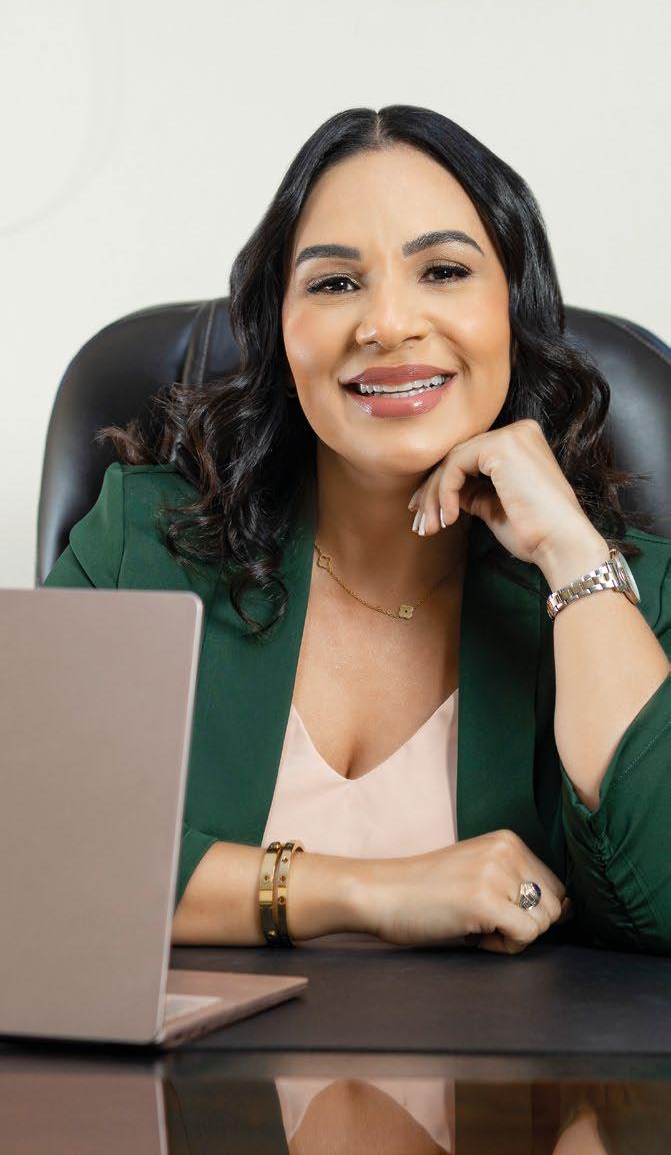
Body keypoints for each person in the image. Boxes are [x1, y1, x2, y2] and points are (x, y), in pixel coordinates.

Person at [44, 106, 671, 956]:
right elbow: (38, 852)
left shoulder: (628, 596)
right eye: (335, 283)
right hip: (200, 1051)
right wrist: (371, 890)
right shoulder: (144, 541)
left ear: (513, 312)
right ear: (279, 329)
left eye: (443, 270)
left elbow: (661, 897)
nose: (387, 324)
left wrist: (570, 552)